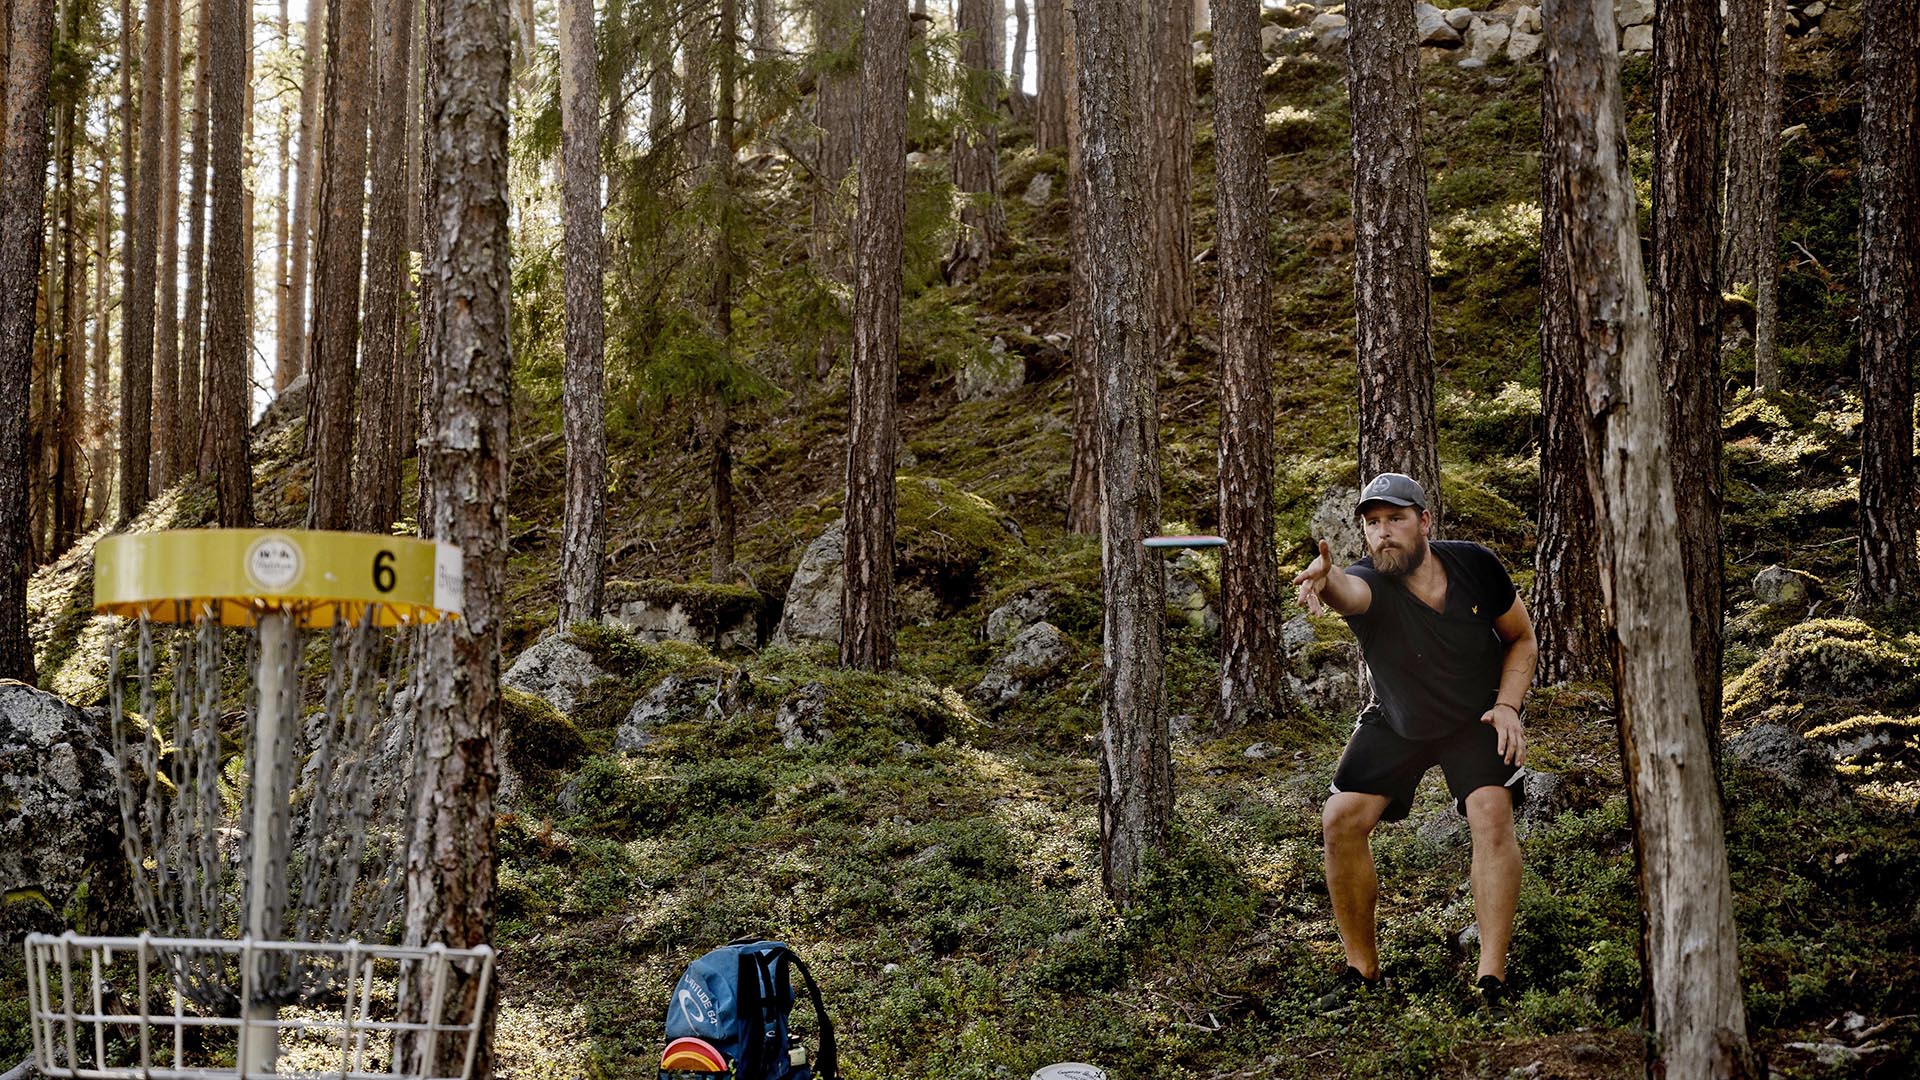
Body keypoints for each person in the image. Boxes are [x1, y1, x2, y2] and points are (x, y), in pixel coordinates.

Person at [1291, 472, 1537, 1017]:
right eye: (1372, 523)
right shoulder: (1367, 582)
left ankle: (1491, 978)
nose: (1384, 534)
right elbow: (1347, 594)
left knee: (1491, 813)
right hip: (1398, 720)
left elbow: (1521, 636)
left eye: (1395, 519)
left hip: (1474, 718)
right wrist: (1326, 580)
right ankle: (1362, 971)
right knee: (1341, 819)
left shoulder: (1475, 565)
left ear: (1424, 521)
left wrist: (1508, 706)